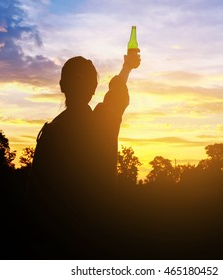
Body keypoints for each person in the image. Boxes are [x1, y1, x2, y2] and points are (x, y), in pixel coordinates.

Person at [26, 50, 140, 258]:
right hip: (97, 241)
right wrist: (126, 68)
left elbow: (35, 202)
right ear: (94, 88)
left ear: (62, 86)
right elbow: (116, 95)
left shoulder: (50, 134)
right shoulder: (102, 123)